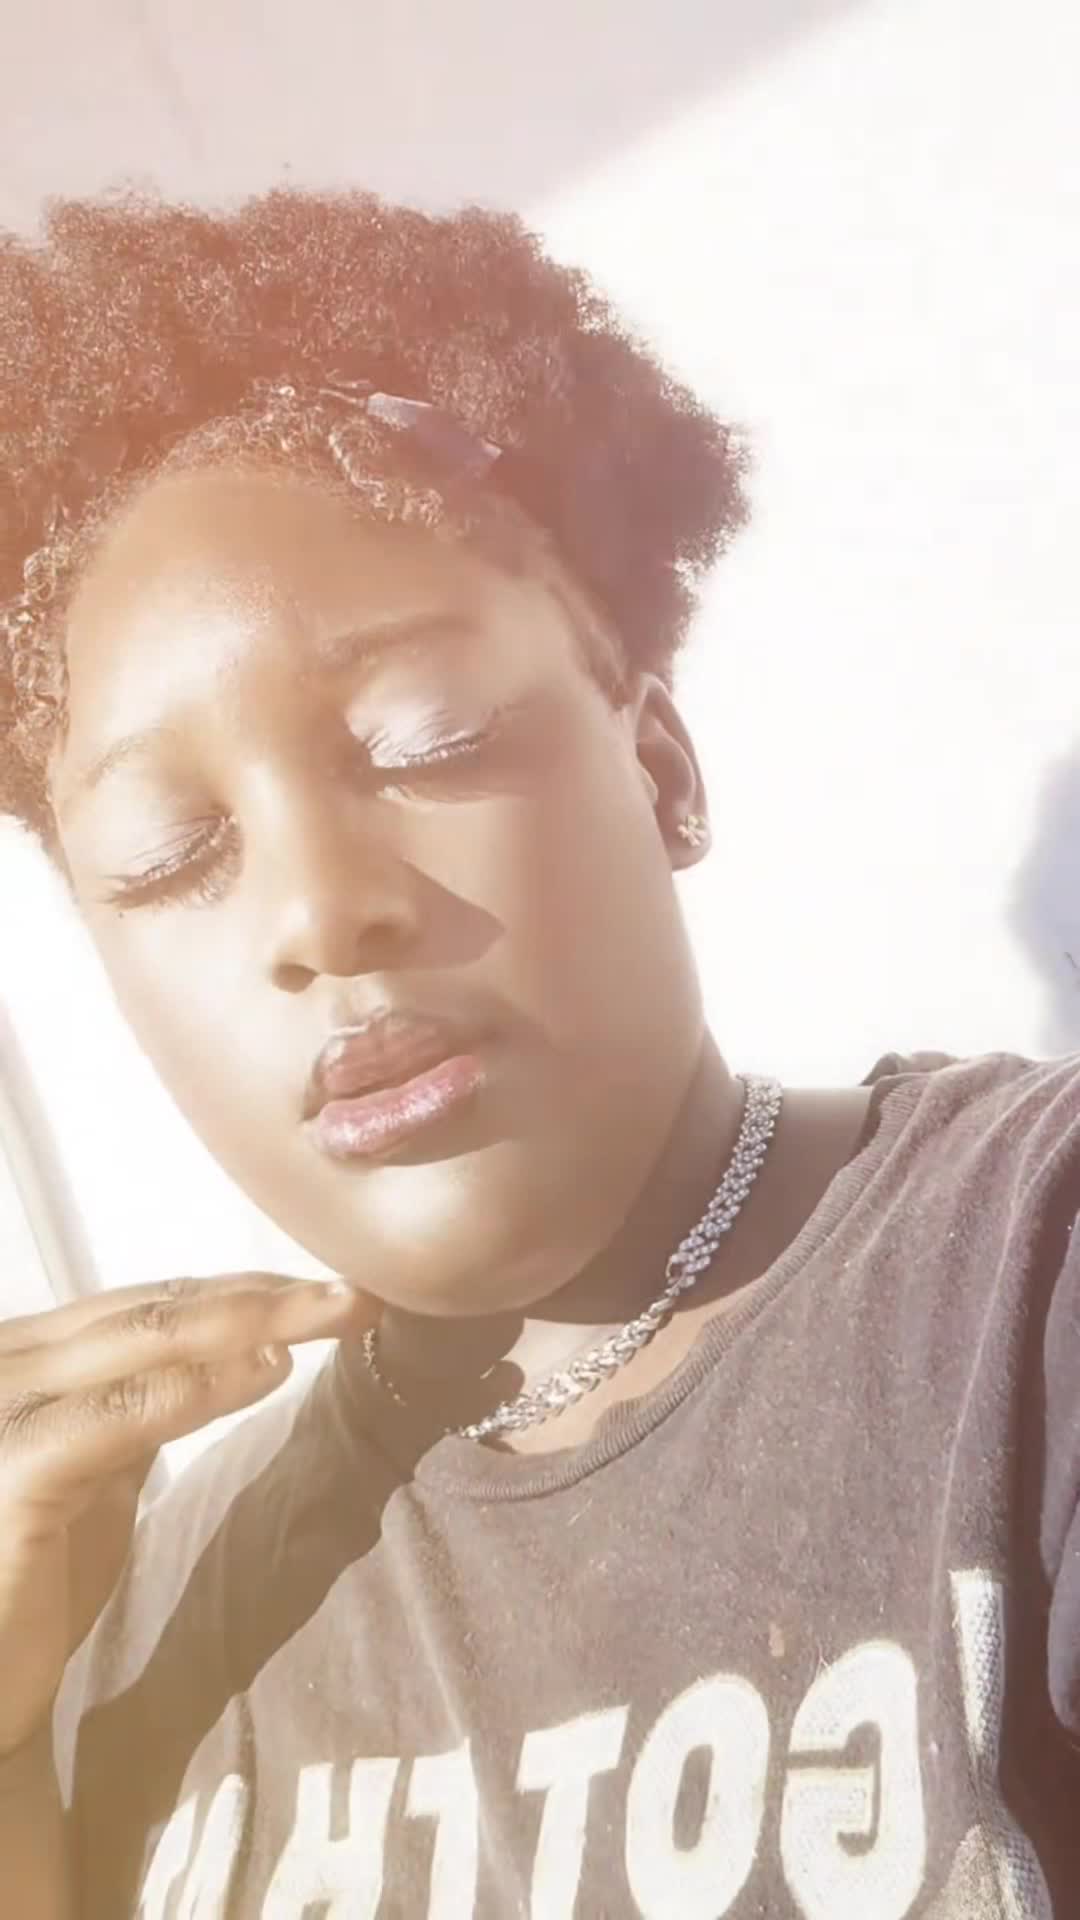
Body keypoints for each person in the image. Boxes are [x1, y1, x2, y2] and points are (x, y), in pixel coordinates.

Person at [0, 185, 1076, 1920]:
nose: (321, 914)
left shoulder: (1024, 1286)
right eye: (171, 856)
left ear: (661, 772)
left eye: (426, 741)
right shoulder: (144, 1604)